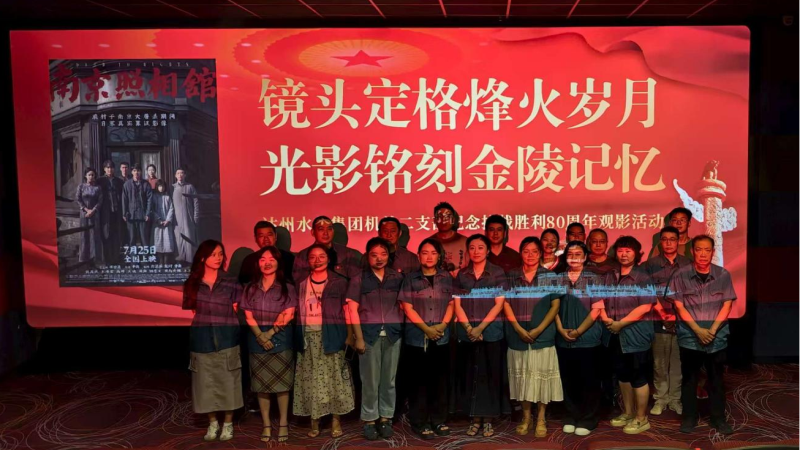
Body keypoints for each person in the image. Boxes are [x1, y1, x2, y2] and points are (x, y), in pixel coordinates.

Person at [668, 235, 737, 435]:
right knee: (689, 379)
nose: (703, 254)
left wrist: (712, 330)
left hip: (716, 336)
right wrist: (697, 330)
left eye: (707, 250)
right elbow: (679, 306)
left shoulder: (722, 274)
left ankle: (718, 418)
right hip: (690, 336)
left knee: (716, 379)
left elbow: (727, 304)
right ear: (692, 251)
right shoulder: (680, 275)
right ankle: (689, 417)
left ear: (713, 252)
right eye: (699, 249)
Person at [182, 240, 243, 442]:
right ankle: (213, 423)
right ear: (202, 258)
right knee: (204, 382)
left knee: (229, 381)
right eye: (213, 254)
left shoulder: (230, 280)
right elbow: (193, 310)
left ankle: (228, 424)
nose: (218, 258)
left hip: (227, 337)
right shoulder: (192, 282)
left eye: (220, 254)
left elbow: (236, 306)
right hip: (202, 338)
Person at [293, 244, 355, 438]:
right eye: (313, 257)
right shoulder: (301, 283)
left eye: (322, 256)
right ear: (307, 261)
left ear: (328, 259)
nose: (317, 260)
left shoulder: (339, 282)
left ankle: (336, 420)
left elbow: (348, 311)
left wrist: (350, 335)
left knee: (335, 379)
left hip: (332, 336)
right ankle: (315, 419)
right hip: (308, 337)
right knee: (312, 380)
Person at [504, 237, 563, 438]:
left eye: (534, 251)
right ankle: (526, 417)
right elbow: (505, 303)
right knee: (523, 378)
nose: (530, 255)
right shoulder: (511, 276)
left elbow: (555, 305)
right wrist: (518, 328)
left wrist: (539, 329)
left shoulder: (550, 276)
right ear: (520, 253)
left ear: (540, 254)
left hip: (543, 337)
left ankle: (541, 418)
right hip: (517, 336)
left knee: (541, 379)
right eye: (526, 251)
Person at [347, 237, 405, 440]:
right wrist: (358, 338)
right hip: (368, 335)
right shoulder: (359, 279)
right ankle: (370, 420)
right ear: (367, 256)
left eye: (383, 254)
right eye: (374, 255)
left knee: (389, 380)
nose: (379, 258)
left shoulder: (397, 278)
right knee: (370, 381)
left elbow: (404, 306)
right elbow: (352, 310)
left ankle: (386, 418)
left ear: (389, 256)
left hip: (392, 334)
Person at [454, 234, 508, 438]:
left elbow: (499, 304)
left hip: (491, 332)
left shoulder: (497, 272)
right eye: (472, 248)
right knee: (470, 375)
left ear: (487, 250)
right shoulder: (462, 274)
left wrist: (481, 328)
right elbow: (457, 303)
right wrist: (469, 327)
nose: (476, 252)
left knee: (489, 375)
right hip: (467, 332)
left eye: (480, 248)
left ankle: (488, 419)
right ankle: (474, 418)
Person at [241, 246, 297, 443]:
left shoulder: (287, 287)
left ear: (278, 263)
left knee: (282, 386)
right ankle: (266, 424)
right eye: (263, 259)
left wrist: (269, 334)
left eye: (271, 259)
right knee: (261, 386)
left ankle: (283, 423)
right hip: (257, 340)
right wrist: (260, 336)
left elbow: (289, 314)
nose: (267, 263)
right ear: (258, 263)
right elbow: (248, 315)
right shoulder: (250, 288)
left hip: (280, 339)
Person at [400, 238, 454, 440]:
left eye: (433, 253)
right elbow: (407, 307)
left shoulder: (447, 278)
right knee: (419, 383)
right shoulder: (410, 279)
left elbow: (452, 304)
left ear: (439, 256)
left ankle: (438, 420)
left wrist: (442, 326)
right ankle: (420, 422)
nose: (429, 256)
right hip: (417, 338)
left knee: (439, 381)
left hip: (441, 336)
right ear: (418, 256)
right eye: (425, 252)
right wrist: (426, 329)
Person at [601, 236, 656, 435]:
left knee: (638, 377)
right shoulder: (610, 275)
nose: (624, 254)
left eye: (628, 251)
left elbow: (645, 306)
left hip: (635, 334)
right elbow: (601, 299)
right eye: (620, 250)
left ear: (637, 253)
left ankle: (641, 418)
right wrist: (606, 319)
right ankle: (628, 412)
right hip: (614, 334)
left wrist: (621, 323)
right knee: (622, 376)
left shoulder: (643, 277)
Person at [555, 240, 605, 436]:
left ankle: (588, 418)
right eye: (570, 254)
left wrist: (578, 331)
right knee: (568, 379)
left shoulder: (595, 278)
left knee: (589, 380)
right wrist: (561, 329)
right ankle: (570, 415)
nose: (574, 258)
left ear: (585, 257)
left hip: (588, 338)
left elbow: (597, 309)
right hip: (563, 337)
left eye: (578, 254)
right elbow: (553, 307)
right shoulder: (558, 279)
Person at [642, 226, 691, 416]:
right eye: (665, 239)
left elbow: (691, 293)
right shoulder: (650, 265)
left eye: (672, 239)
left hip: (682, 321)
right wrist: (663, 314)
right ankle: (660, 399)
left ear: (678, 241)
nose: (669, 243)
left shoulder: (688, 263)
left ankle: (675, 399)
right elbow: (646, 292)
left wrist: (677, 315)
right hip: (657, 319)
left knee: (677, 363)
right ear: (660, 242)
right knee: (659, 363)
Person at [293, 216, 362, 283]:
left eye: (329, 229)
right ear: (313, 232)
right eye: (321, 229)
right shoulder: (303, 256)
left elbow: (355, 280)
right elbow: (297, 282)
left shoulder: (346, 253)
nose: (326, 233)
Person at [239, 221, 295, 285]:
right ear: (255, 239)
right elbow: (244, 283)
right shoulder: (249, 260)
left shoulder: (288, 258)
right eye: (261, 236)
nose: (266, 239)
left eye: (269, 235)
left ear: (275, 236)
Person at [76, 167, 105, 266]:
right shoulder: (81, 186)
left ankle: (95, 257)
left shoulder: (98, 188)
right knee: (84, 235)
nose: (91, 177)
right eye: (89, 175)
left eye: (93, 175)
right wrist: (85, 209)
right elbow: (78, 199)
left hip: (95, 214)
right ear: (85, 176)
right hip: (84, 214)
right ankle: (84, 257)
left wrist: (93, 210)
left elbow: (100, 201)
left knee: (94, 234)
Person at [428, 202, 468, 272]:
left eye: (448, 216)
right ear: (434, 220)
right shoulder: (429, 243)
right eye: (440, 216)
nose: (444, 220)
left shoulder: (465, 241)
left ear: (453, 220)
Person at [97, 160, 124, 264]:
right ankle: (107, 259)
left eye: (111, 168)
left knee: (116, 235)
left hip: (117, 212)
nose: (110, 170)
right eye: (108, 168)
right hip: (105, 213)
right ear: (104, 169)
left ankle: (115, 259)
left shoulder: (119, 181)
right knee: (106, 235)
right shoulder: (100, 181)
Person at [172, 168, 200, 264]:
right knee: (178, 238)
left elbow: (196, 202)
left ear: (185, 175)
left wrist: (196, 216)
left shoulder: (190, 187)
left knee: (189, 238)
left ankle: (190, 261)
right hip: (176, 218)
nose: (180, 175)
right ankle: (180, 260)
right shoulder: (173, 187)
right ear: (175, 176)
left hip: (189, 218)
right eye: (178, 173)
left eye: (182, 173)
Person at [121, 164, 152, 247]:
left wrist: (148, 213)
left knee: (144, 239)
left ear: (141, 172)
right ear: (131, 172)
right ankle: (132, 255)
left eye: (138, 170)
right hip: (131, 215)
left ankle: (145, 254)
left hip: (143, 214)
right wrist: (124, 213)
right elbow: (124, 200)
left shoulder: (146, 184)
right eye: (134, 171)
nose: (136, 172)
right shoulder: (127, 184)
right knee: (131, 239)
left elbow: (149, 200)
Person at [151, 179, 176, 265]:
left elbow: (171, 209)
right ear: (157, 187)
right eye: (159, 186)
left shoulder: (168, 197)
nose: (161, 188)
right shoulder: (154, 197)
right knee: (158, 242)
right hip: (157, 223)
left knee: (167, 242)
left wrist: (168, 220)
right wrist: (158, 219)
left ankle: (166, 261)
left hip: (166, 223)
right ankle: (160, 261)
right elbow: (152, 209)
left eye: (162, 186)